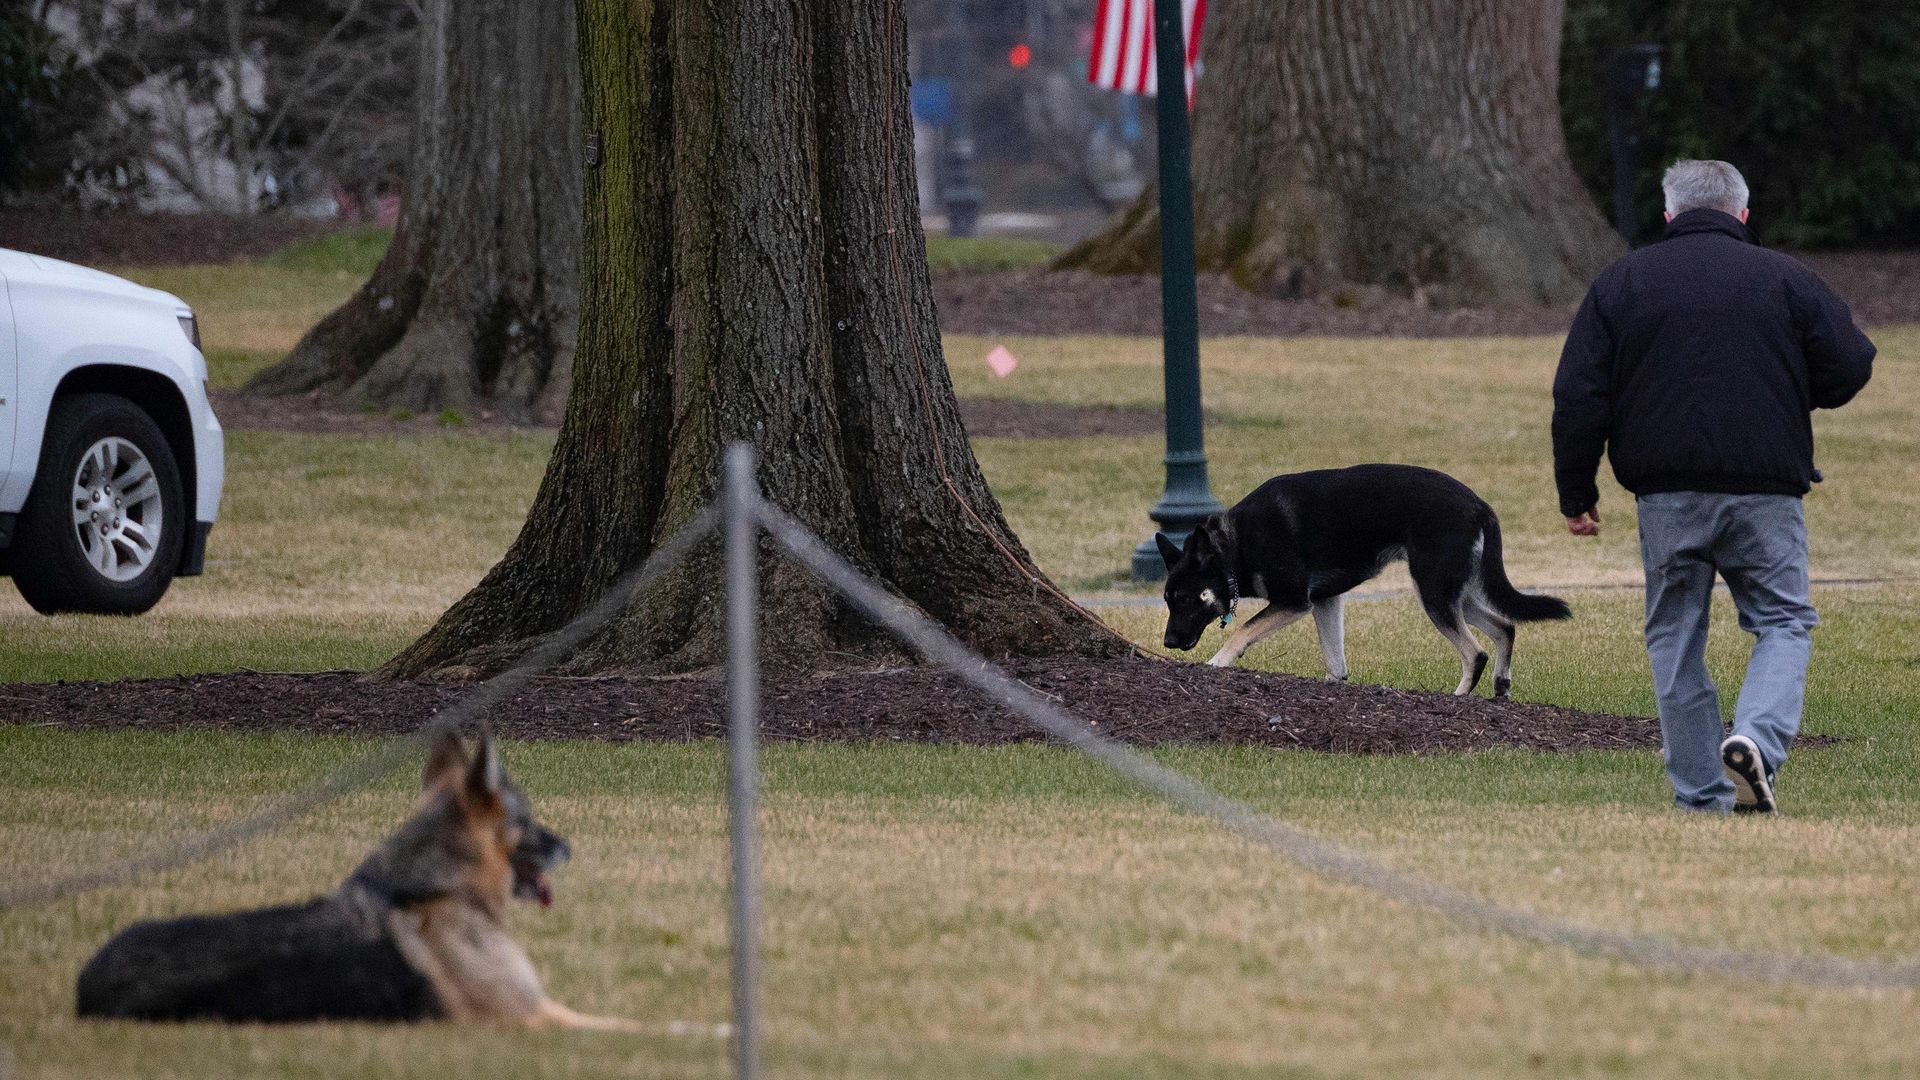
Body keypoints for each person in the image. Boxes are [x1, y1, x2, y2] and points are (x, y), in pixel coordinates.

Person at [1551, 159, 1875, 814]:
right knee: (1783, 618)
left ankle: (1702, 795)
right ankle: (1756, 738)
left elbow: (1579, 395)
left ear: (1668, 214)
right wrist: (1790, 393)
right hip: (1765, 487)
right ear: (1742, 214)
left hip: (1666, 492)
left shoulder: (1624, 282)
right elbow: (1851, 362)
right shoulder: (1785, 278)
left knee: (1675, 631)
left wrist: (1575, 491)